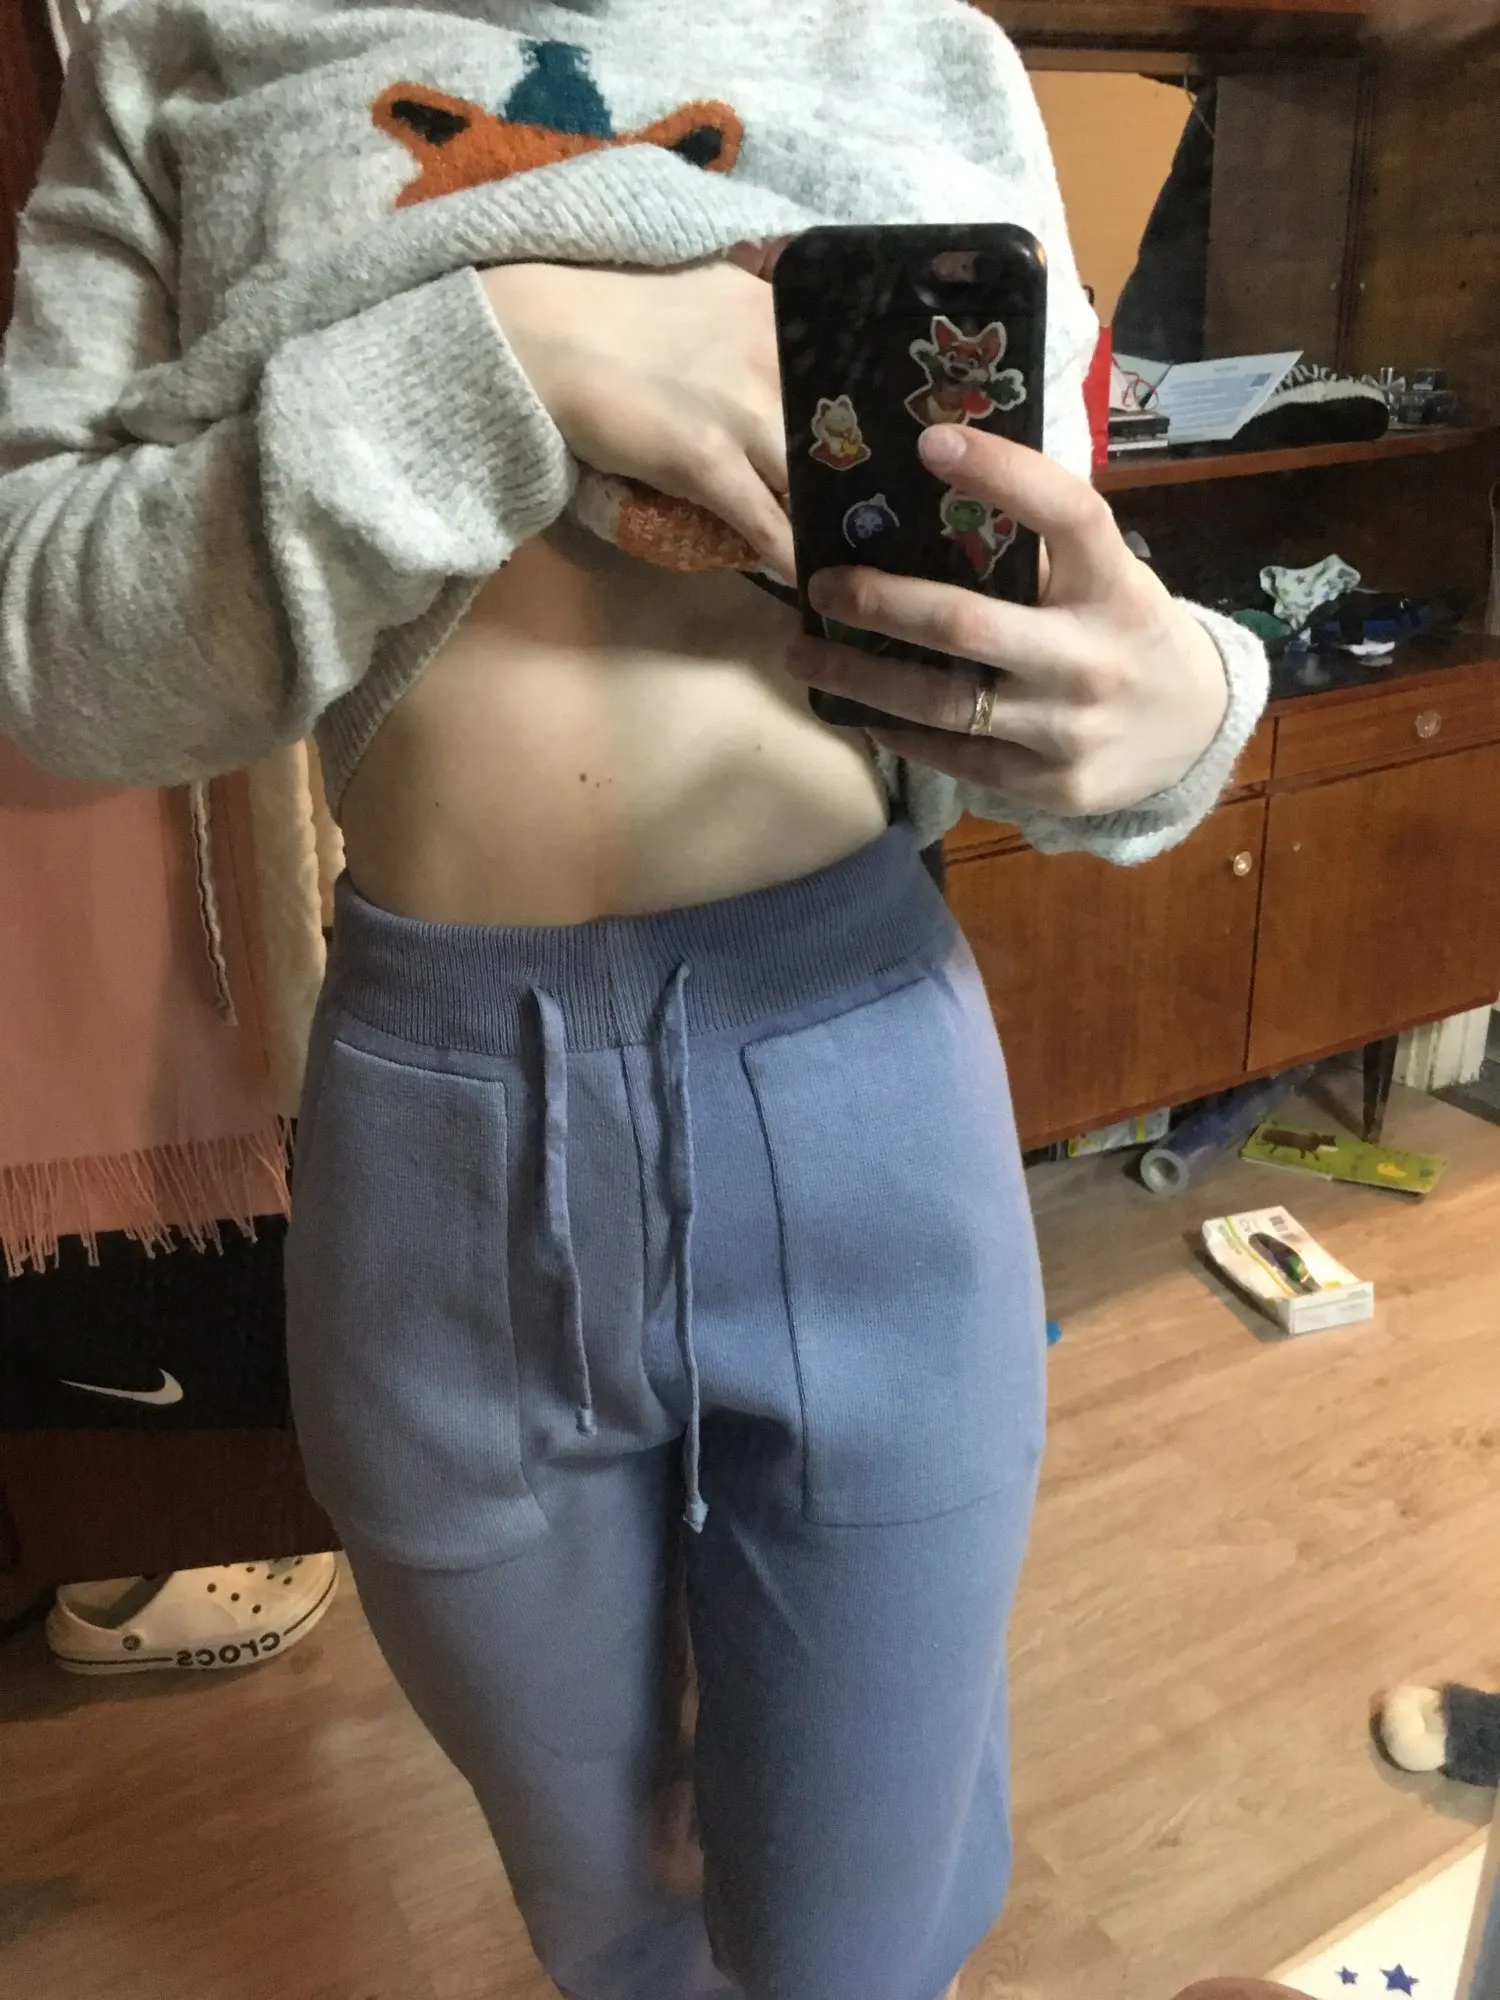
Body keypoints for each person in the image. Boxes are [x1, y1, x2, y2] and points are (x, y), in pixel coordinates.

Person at [0, 4, 1268, 1997]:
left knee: (857, 1928)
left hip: (859, 1075)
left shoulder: (926, 46)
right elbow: (51, 649)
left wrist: (1186, 705)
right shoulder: (180, 42)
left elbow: (1069, 600)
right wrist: (501, 354)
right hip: (437, 1150)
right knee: (610, 1911)